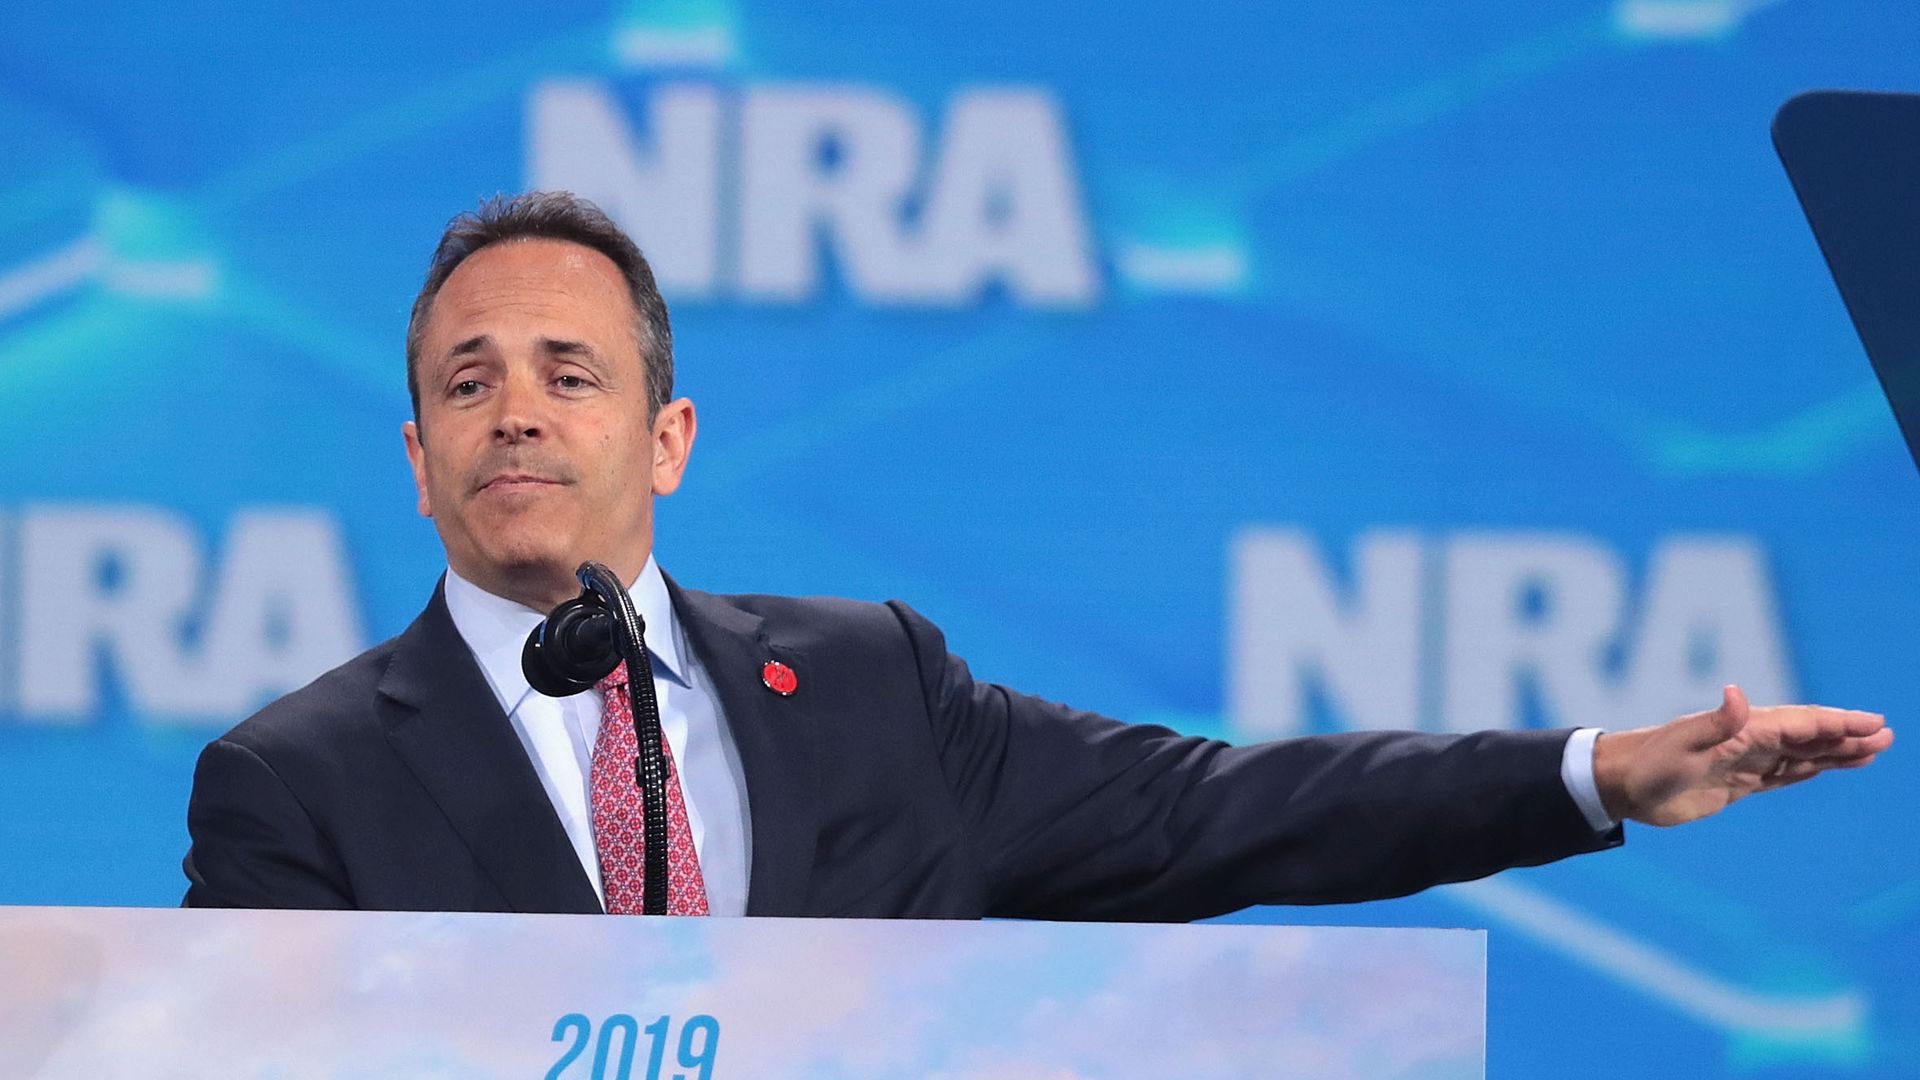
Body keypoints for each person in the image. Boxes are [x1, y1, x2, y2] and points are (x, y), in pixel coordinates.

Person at [181, 192, 1894, 919]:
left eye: (571, 373)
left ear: (670, 439)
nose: (515, 414)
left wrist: (1596, 772)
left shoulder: (868, 687)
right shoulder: (293, 779)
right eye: (465, 385)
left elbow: (1223, 813)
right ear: (416, 464)